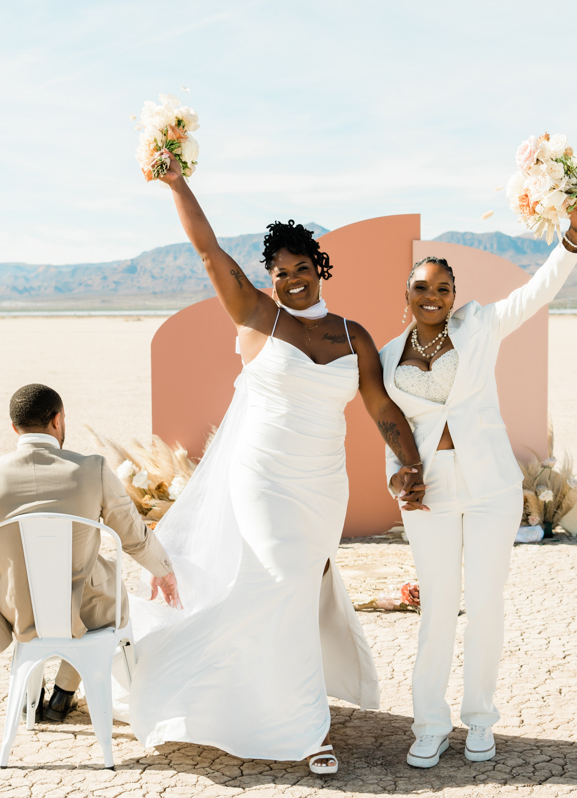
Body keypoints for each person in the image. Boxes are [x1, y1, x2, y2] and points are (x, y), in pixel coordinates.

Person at [127, 155, 425, 775]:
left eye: (301, 268)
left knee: (282, 592)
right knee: (283, 582)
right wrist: (178, 183)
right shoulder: (261, 318)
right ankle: (304, 728)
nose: (291, 280)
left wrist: (411, 465)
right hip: (262, 477)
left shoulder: (353, 336)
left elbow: (381, 406)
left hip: (321, 487)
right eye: (280, 272)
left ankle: (219, 686)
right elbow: (210, 254)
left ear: (320, 268)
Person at [379, 199, 577, 768]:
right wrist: (397, 482)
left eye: (444, 289)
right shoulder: (383, 358)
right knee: (436, 609)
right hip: (427, 499)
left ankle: (479, 719)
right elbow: (390, 428)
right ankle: (429, 724)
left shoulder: (480, 326)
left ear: (455, 296)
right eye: (423, 287)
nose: (434, 297)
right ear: (405, 295)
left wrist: (573, 235)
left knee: (485, 605)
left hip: (490, 491)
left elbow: (538, 292)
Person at [0, 384, 179, 723]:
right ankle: (64, 693)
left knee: (64, 587)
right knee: (97, 586)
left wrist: (13, 570)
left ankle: (32, 693)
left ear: (15, 428)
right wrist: (162, 569)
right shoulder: (94, 470)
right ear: (58, 421)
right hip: (83, 606)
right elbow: (133, 536)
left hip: (17, 609)